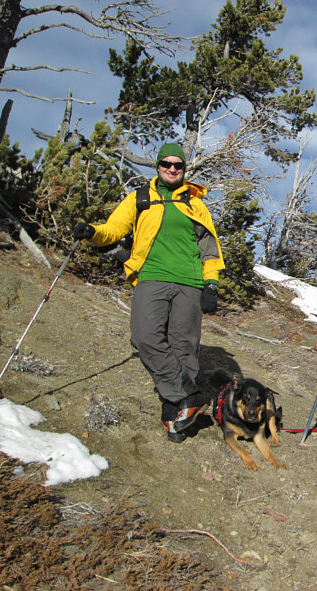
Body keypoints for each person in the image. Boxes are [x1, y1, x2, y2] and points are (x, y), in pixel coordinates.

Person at [72, 142, 225, 443]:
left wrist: (211, 284)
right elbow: (113, 230)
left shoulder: (195, 205)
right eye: (166, 163)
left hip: (190, 282)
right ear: (157, 167)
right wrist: (92, 232)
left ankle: (176, 419)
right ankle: (187, 397)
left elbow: (210, 249)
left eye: (178, 165)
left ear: (183, 170)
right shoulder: (140, 198)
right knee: (144, 336)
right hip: (151, 276)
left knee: (184, 345)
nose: (172, 169)